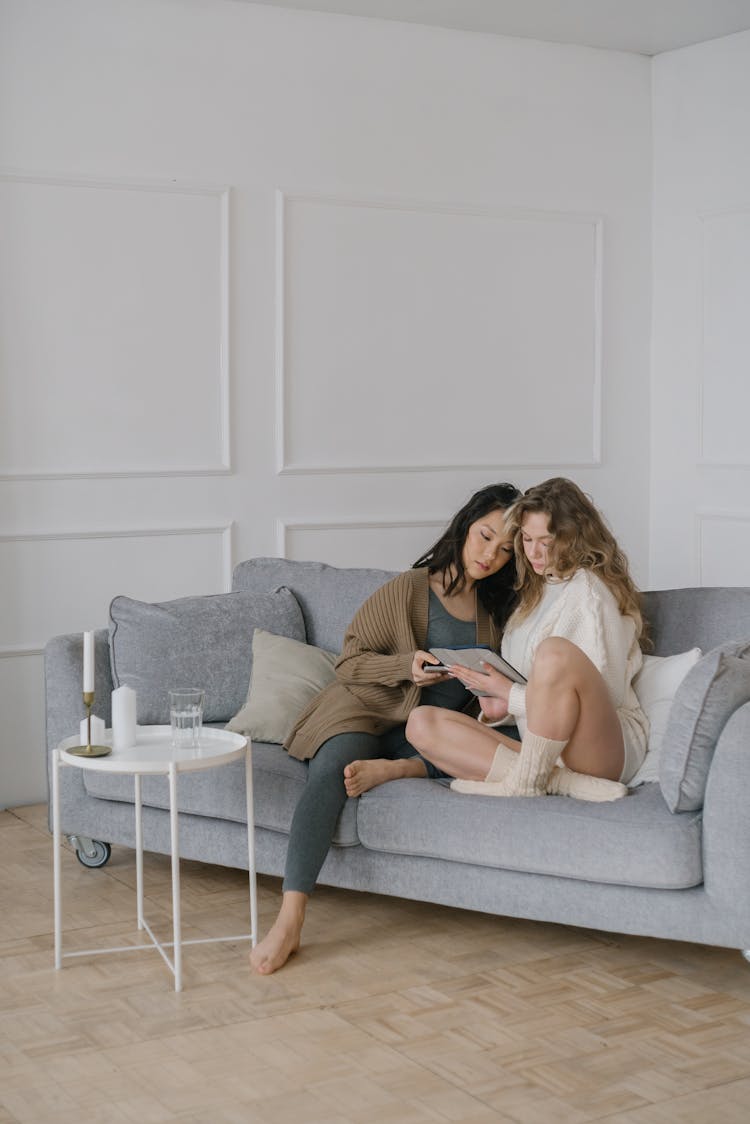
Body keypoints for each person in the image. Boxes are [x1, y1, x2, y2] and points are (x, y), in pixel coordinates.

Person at [249, 481, 521, 974]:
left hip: (422, 727)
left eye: (505, 549)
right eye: (485, 536)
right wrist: (403, 666)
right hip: (365, 705)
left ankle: (398, 769)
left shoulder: (492, 615)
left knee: (497, 747)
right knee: (335, 767)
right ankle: (291, 916)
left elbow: (473, 704)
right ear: (465, 526)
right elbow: (350, 662)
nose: (490, 555)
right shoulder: (410, 587)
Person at [405, 477, 649, 802]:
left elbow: (599, 695)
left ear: (573, 537)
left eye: (546, 541)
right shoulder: (535, 591)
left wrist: (511, 695)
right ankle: (561, 782)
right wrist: (499, 707)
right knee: (421, 723)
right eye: (527, 538)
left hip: (605, 748)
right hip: (545, 751)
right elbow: (538, 697)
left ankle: (526, 781)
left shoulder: (588, 593)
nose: (533, 552)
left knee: (554, 653)